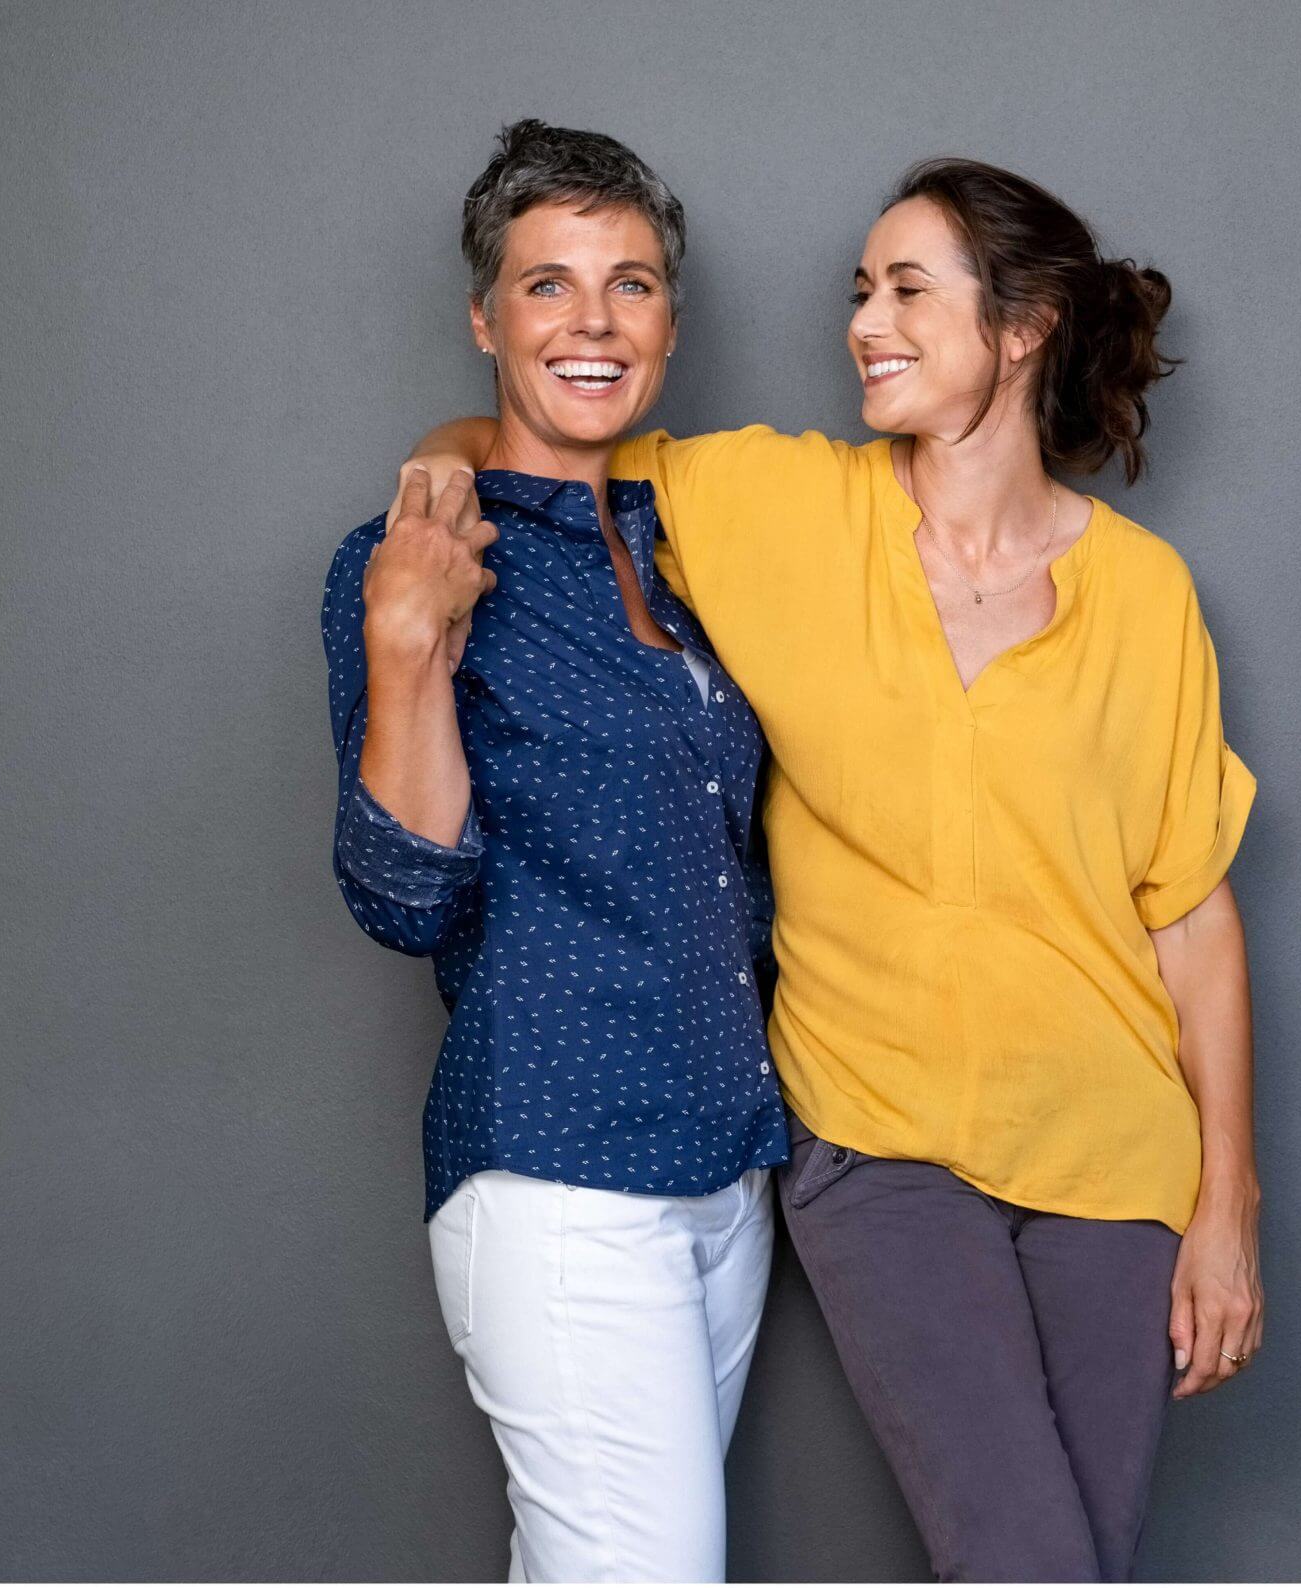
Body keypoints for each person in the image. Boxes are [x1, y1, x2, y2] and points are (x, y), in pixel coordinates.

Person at [405, 155, 1264, 1582]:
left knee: (1089, 1560)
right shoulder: (777, 507)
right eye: (861, 291)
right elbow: (549, 433)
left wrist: (1227, 1206)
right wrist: (437, 453)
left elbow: (1194, 915)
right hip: (880, 1144)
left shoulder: (1148, 598)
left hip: (1120, 1164)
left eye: (907, 290)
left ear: (1024, 325)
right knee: (1029, 1561)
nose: (865, 321)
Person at [320, 122, 786, 1583]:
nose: (592, 321)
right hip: (561, 1168)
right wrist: (410, 644)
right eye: (548, 286)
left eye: (631, 284)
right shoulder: (413, 559)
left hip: (728, 1163)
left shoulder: (701, 542)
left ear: (670, 318)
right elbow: (404, 894)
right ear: (484, 315)